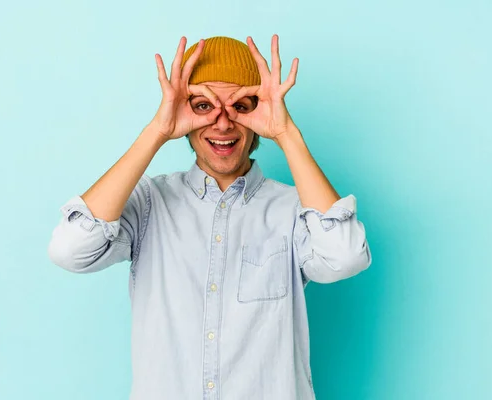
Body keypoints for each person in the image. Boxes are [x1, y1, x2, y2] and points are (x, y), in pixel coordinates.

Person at [48, 34, 372, 400]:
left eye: (241, 105)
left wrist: (285, 132)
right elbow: (70, 250)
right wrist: (158, 130)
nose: (222, 123)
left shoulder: (295, 210)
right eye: (203, 106)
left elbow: (345, 258)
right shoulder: (148, 202)